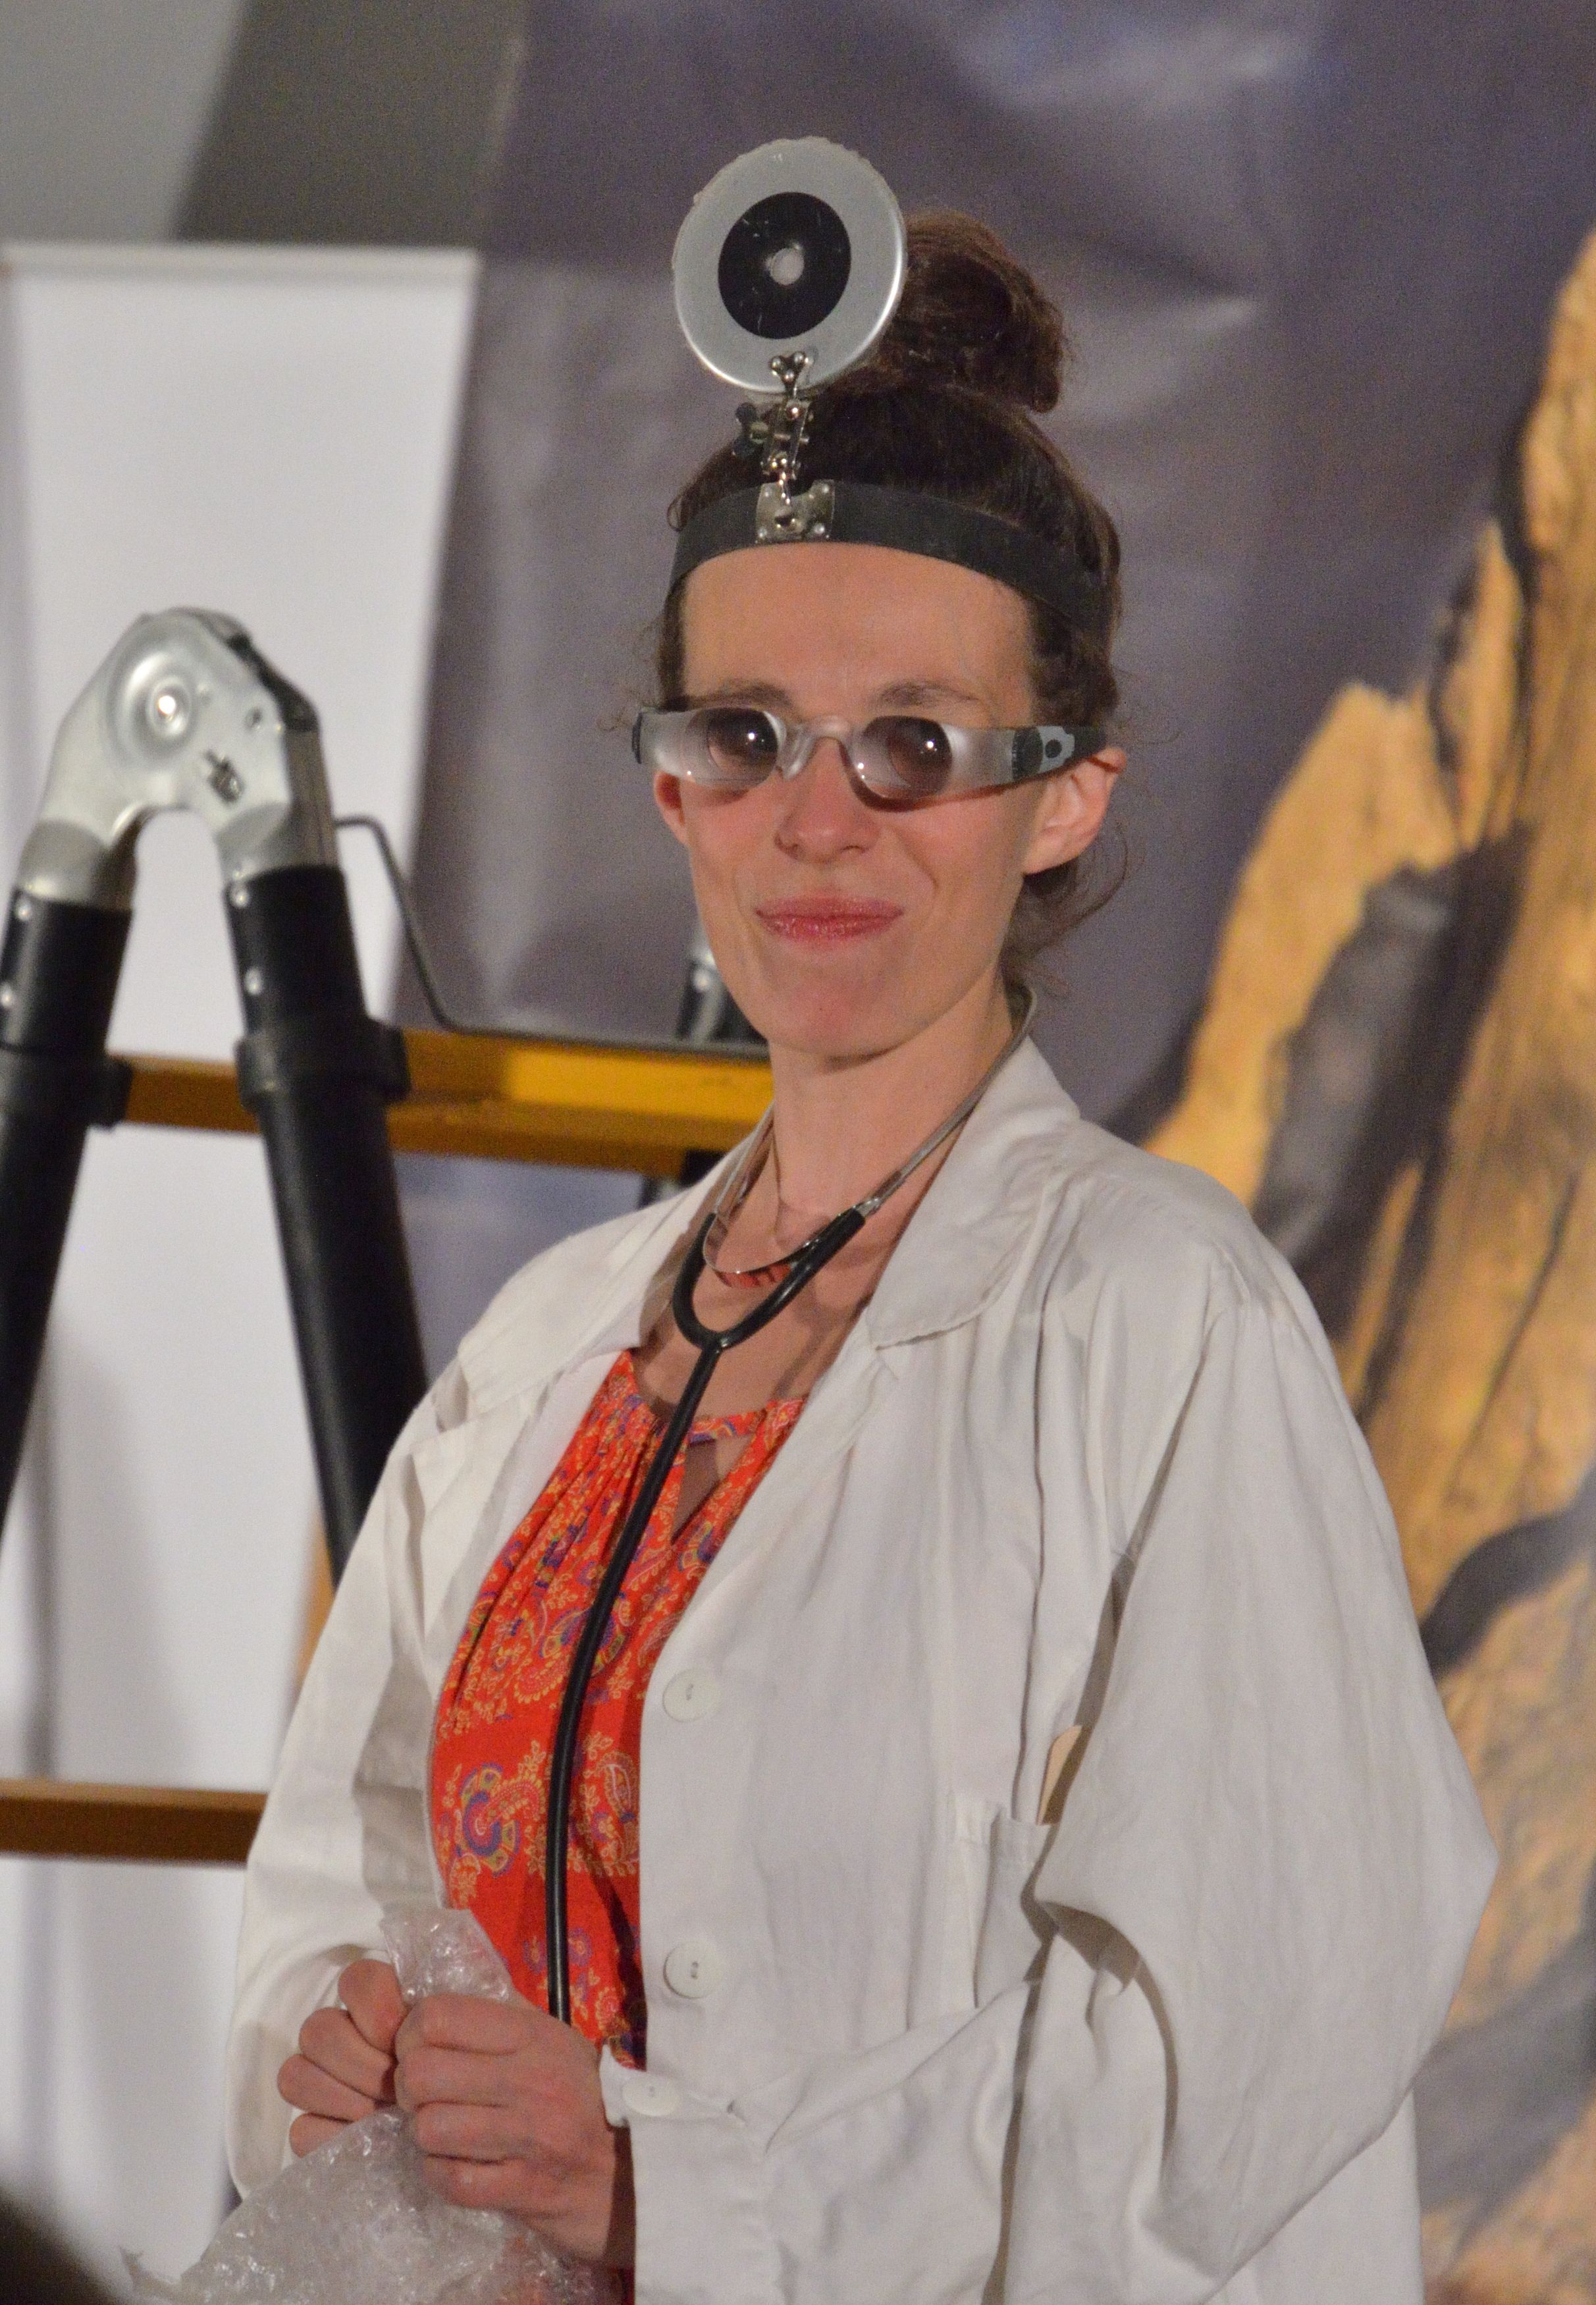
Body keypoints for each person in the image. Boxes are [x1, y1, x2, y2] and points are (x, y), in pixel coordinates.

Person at [226, 210, 1495, 2302]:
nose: (816, 823)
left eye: (912, 744)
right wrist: (338, 2043)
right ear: (671, 789)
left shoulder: (1154, 1322)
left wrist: (668, 2194)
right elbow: (335, 1876)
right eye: (743, 736)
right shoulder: (546, 1353)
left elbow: (1243, 2031)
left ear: (1062, 799)